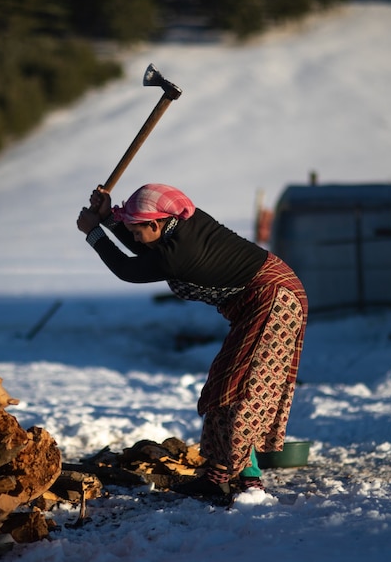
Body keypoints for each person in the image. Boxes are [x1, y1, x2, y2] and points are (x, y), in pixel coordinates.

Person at [76, 183, 307, 501]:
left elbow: (130, 268)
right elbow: (146, 245)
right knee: (222, 384)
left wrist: (95, 234)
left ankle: (247, 482)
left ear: (155, 223)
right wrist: (108, 219)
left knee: (241, 389)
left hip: (275, 302)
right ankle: (217, 477)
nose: (134, 235)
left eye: (135, 228)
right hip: (259, 303)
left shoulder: (182, 252)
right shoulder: (178, 226)